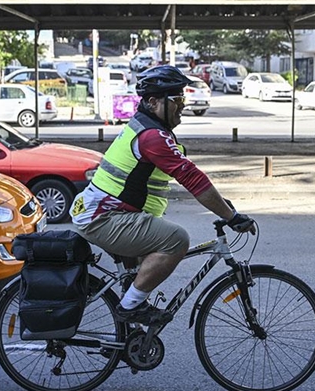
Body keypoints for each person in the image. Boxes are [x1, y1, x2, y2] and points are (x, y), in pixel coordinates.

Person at [71, 65, 255, 326]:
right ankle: (130, 307)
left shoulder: (148, 128)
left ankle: (129, 332)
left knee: (147, 263)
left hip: (107, 214)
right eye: (177, 100)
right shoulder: (152, 137)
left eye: (184, 99)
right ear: (153, 102)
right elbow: (192, 178)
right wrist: (230, 216)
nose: (182, 106)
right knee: (176, 240)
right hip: (105, 218)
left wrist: (221, 205)